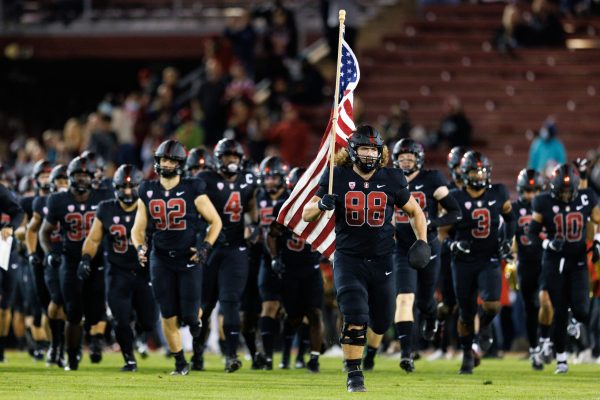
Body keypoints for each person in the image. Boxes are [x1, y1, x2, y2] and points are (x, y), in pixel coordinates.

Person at [302, 125, 430, 392]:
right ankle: (354, 374)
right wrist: (321, 204)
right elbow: (306, 214)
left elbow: (416, 212)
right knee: (355, 314)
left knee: (382, 321)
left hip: (383, 260)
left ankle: (363, 352)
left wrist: (422, 241)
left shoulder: (393, 178)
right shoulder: (337, 175)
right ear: (352, 150)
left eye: (374, 148)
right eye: (364, 148)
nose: (370, 154)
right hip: (349, 259)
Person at [363, 139, 462, 372]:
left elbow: (455, 211)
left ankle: (431, 316)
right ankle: (406, 354)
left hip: (427, 245)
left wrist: (432, 223)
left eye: (410, 156)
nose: (406, 160)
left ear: (419, 158)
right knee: (404, 299)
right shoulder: (388, 178)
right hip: (400, 248)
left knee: (426, 300)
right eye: (402, 156)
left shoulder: (432, 179)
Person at [132, 139, 222, 376]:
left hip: (188, 257)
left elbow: (215, 221)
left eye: (171, 159)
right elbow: (137, 228)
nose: (167, 163)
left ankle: (195, 322)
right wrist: (140, 247)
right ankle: (181, 362)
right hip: (160, 258)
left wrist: (205, 247)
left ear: (180, 162)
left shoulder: (193, 187)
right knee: (167, 312)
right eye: (163, 159)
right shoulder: (147, 190)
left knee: (191, 316)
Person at [439, 151, 516, 374]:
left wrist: (507, 240)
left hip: (489, 258)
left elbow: (510, 219)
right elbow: (442, 234)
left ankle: (483, 329)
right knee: (465, 312)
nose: (479, 175)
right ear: (465, 173)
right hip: (462, 262)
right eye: (475, 171)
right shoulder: (454, 197)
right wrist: (453, 246)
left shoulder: (499, 192)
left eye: (482, 171)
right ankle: (466, 355)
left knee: (492, 304)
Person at [39, 156, 114, 371]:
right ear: (70, 177)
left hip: (97, 259)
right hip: (70, 260)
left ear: (93, 177)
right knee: (73, 311)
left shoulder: (104, 197)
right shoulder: (57, 200)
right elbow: (45, 232)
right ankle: (72, 357)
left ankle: (93, 340)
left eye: (86, 175)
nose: (82, 179)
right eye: (78, 175)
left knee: (95, 311)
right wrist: (50, 252)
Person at [81, 164, 157, 372]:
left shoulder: (149, 208)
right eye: (123, 187)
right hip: (118, 271)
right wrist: (86, 258)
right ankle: (129, 359)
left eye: (131, 188)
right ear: (115, 187)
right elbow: (93, 239)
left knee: (149, 321)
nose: (127, 192)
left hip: (144, 272)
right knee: (120, 318)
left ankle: (140, 336)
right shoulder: (106, 208)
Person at [527, 164, 600, 374]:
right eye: (563, 190)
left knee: (583, 310)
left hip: (577, 260)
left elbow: (598, 220)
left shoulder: (586, 197)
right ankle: (561, 359)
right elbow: (532, 233)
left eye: (570, 190)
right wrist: (548, 243)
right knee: (559, 311)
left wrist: (597, 242)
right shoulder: (543, 201)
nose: (567, 195)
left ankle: (575, 321)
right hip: (553, 262)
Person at [195, 138, 257, 373]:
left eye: (235, 156)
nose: (231, 161)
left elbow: (251, 205)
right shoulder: (205, 180)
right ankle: (198, 351)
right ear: (218, 159)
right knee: (205, 304)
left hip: (236, 248)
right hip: (210, 247)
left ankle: (231, 354)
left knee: (231, 301)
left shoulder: (248, 179)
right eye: (226, 156)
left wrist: (252, 224)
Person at [268, 167, 324, 372]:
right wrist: (275, 257)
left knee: (315, 313)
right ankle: (288, 353)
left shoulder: (322, 207)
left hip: (311, 268)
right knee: (294, 317)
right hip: (290, 269)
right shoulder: (284, 208)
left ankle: (314, 358)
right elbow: (272, 234)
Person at [26, 164, 69, 366]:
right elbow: (32, 230)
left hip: (72, 257)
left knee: (72, 306)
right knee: (55, 301)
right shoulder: (42, 202)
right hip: (51, 258)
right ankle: (56, 345)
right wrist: (33, 252)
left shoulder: (81, 201)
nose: (63, 185)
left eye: (65, 180)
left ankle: (65, 347)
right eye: (59, 181)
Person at [512, 168, 546, 369]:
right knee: (531, 308)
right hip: (525, 263)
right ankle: (535, 349)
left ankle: (547, 344)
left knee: (547, 301)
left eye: (535, 191)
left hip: (546, 261)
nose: (531, 195)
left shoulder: (548, 205)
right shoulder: (515, 208)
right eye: (527, 191)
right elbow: (509, 236)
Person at [0, 182, 25, 362]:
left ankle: (0, 347)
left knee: (5, 305)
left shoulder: (1, 191)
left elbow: (18, 211)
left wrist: (10, 227)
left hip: (4, 247)